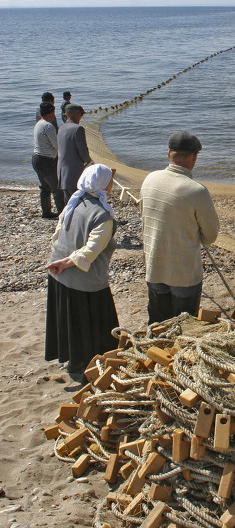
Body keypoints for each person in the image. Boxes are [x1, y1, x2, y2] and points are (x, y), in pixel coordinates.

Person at [45, 164, 118, 377]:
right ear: (103, 185)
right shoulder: (103, 215)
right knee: (95, 324)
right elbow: (90, 252)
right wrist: (66, 264)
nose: (112, 185)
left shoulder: (75, 202)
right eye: (110, 181)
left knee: (70, 320)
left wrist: (59, 263)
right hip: (82, 280)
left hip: (58, 274)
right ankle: (88, 364)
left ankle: (72, 360)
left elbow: (57, 236)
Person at [140, 131, 219, 323]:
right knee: (185, 328)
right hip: (184, 274)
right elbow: (210, 236)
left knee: (157, 324)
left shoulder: (149, 179)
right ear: (194, 157)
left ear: (169, 154)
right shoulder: (197, 191)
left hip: (154, 267)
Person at [32, 102, 65, 218]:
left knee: (44, 187)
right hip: (46, 160)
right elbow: (56, 145)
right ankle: (63, 214)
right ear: (51, 112)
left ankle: (46, 212)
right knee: (57, 188)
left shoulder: (38, 124)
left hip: (36, 159)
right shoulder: (48, 126)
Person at [58, 104, 92, 202]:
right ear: (77, 114)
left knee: (68, 203)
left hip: (62, 173)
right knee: (78, 203)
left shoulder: (62, 128)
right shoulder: (78, 129)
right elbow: (83, 152)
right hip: (74, 174)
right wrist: (90, 162)